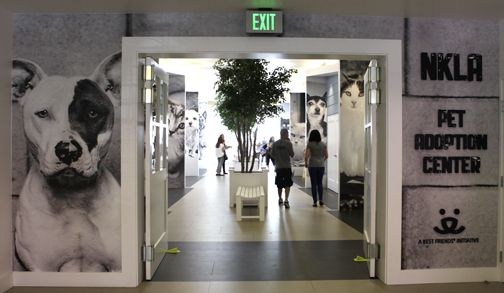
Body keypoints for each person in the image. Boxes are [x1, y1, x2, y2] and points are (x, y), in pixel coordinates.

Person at [270, 129, 294, 208]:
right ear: (286, 134)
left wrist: (278, 157)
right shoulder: (289, 143)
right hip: (287, 166)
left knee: (279, 184)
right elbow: (292, 154)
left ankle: (280, 198)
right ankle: (286, 200)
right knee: (288, 183)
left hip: (279, 167)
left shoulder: (275, 144)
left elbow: (272, 154)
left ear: (280, 134)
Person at [304, 130, 328, 207]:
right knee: (320, 183)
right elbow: (326, 155)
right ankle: (321, 200)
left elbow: (306, 155)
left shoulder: (310, 144)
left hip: (312, 165)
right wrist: (321, 161)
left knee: (313, 184)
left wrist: (306, 163)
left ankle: (315, 202)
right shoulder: (323, 144)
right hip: (321, 165)